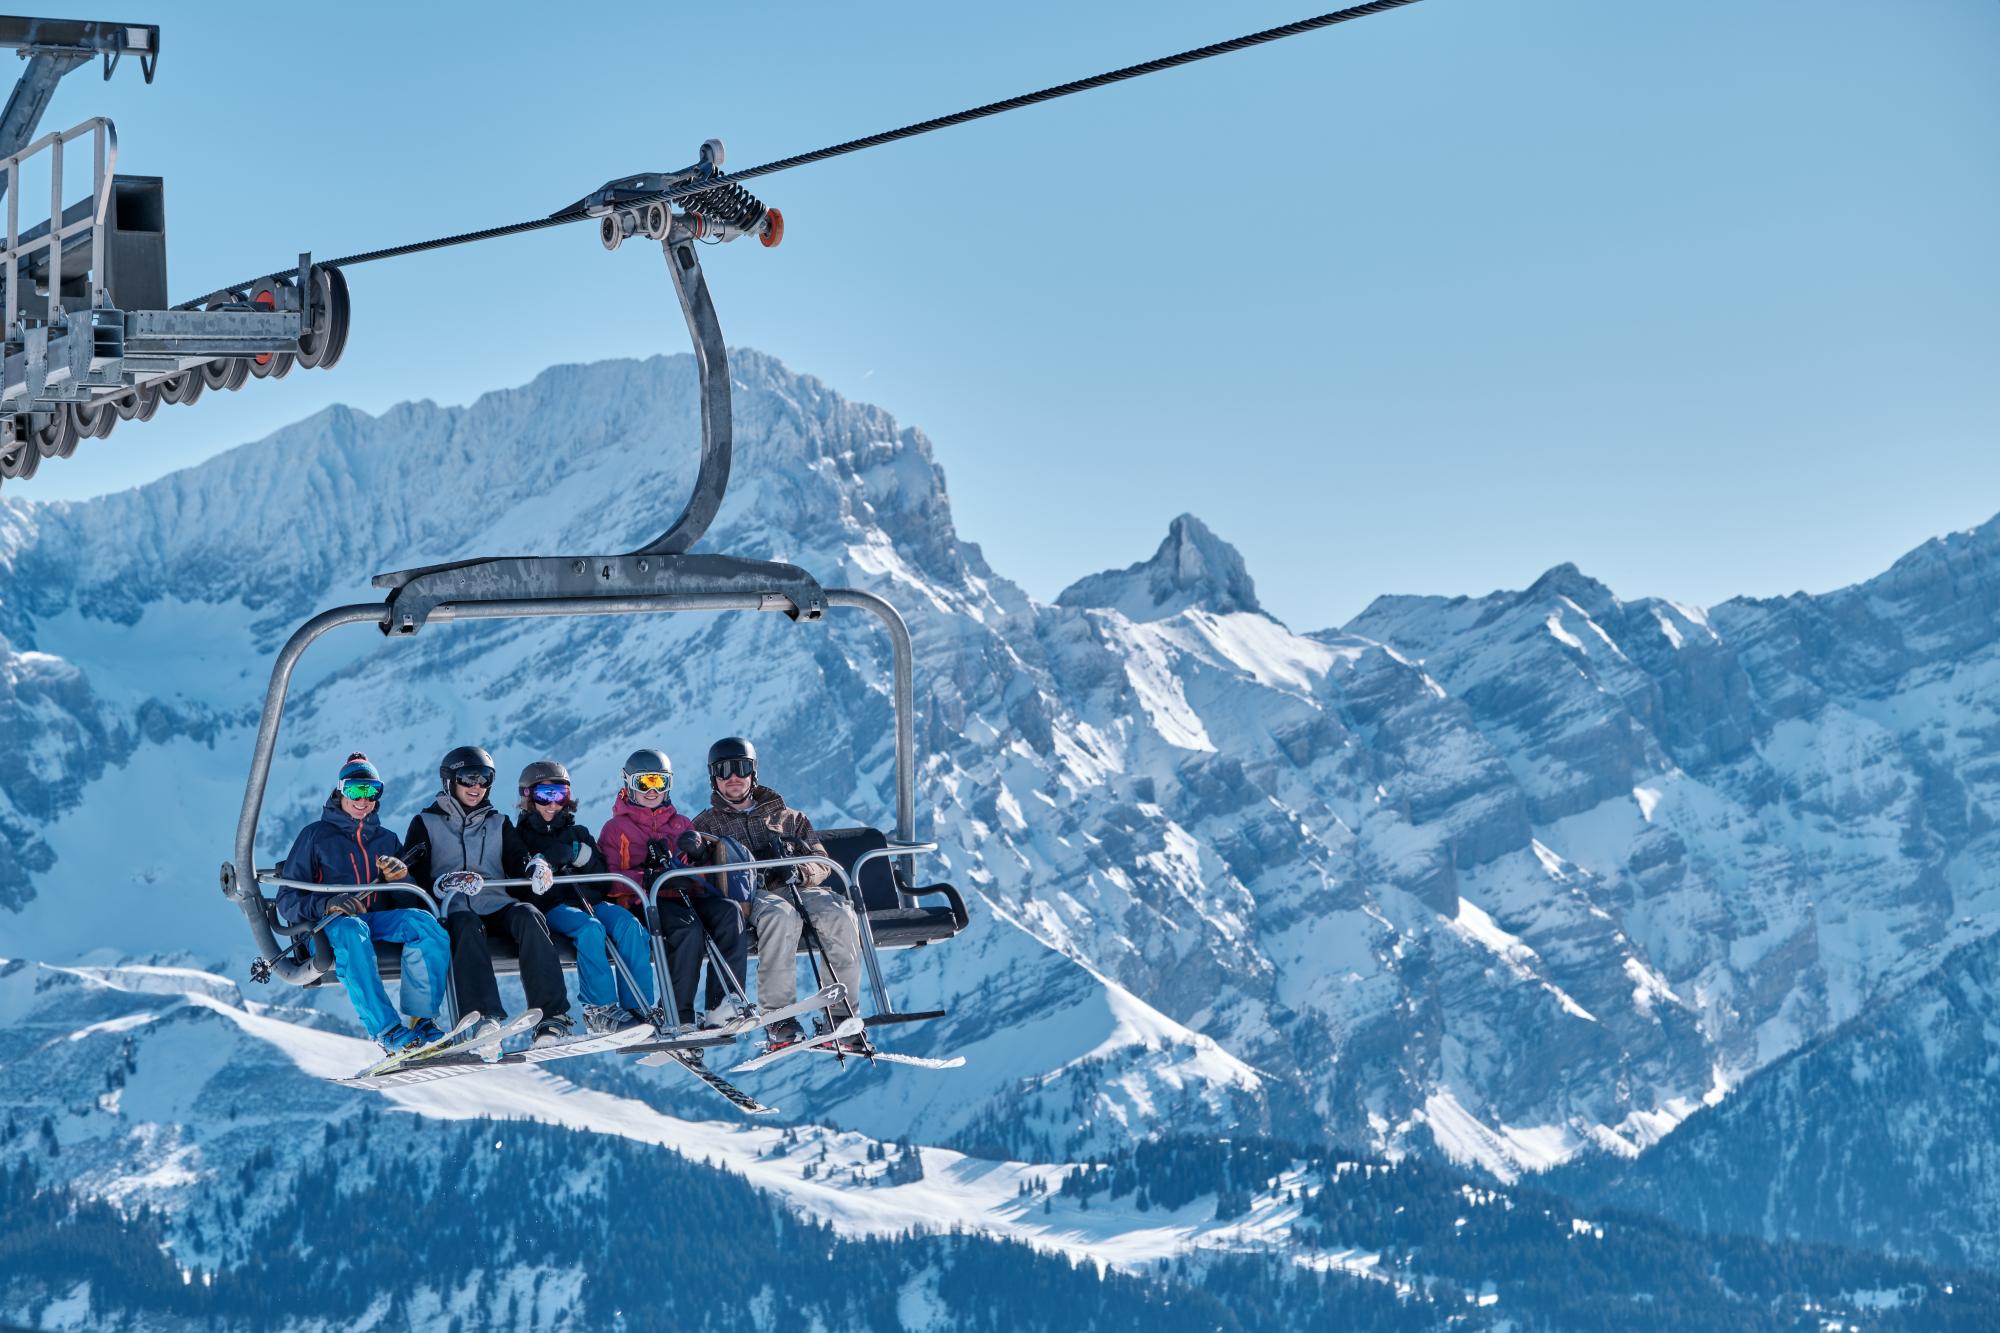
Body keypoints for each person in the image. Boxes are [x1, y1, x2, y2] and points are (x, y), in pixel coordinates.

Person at [690, 736, 867, 1053]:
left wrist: (800, 871)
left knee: (840, 914)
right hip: (751, 895)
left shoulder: (788, 817)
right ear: (713, 777)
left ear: (753, 772)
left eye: (741, 768)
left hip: (798, 887)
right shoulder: (707, 824)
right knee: (780, 917)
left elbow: (821, 860)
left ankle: (841, 1017)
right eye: (724, 770)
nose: (733, 777)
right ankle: (779, 1018)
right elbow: (700, 873)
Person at [275, 753, 451, 1055]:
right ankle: (387, 1030)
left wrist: (402, 879)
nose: (363, 799)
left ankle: (422, 1020)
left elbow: (408, 900)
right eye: (356, 790)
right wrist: (327, 904)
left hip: (374, 922)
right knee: (351, 929)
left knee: (424, 923)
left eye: (372, 791)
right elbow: (287, 901)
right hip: (327, 929)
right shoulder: (315, 837)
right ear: (340, 791)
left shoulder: (386, 840)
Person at [400, 744, 574, 1046]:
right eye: (468, 778)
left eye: (484, 779)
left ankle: (551, 1017)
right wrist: (443, 884)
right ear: (450, 781)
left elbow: (518, 859)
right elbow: (414, 873)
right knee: (467, 926)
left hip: (495, 902)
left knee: (529, 916)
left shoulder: (498, 822)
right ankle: (484, 1018)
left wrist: (535, 866)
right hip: (452, 908)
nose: (476, 786)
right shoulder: (425, 823)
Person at [598, 747, 748, 1038]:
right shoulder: (616, 829)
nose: (652, 791)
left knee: (729, 912)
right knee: (686, 929)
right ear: (629, 784)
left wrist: (698, 857)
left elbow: (700, 872)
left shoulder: (680, 823)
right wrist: (649, 878)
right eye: (644, 783)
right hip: (643, 902)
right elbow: (610, 881)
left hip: (684, 895)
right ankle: (678, 1012)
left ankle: (723, 1004)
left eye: (659, 782)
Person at [509, 758, 656, 1033]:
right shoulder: (519, 838)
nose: (553, 804)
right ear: (527, 797)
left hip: (591, 900)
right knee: (590, 929)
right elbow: (520, 880)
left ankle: (639, 1006)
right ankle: (598, 1009)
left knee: (630, 926)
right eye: (545, 795)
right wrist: (545, 861)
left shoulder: (578, 833)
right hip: (553, 906)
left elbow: (603, 880)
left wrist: (578, 855)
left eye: (560, 795)